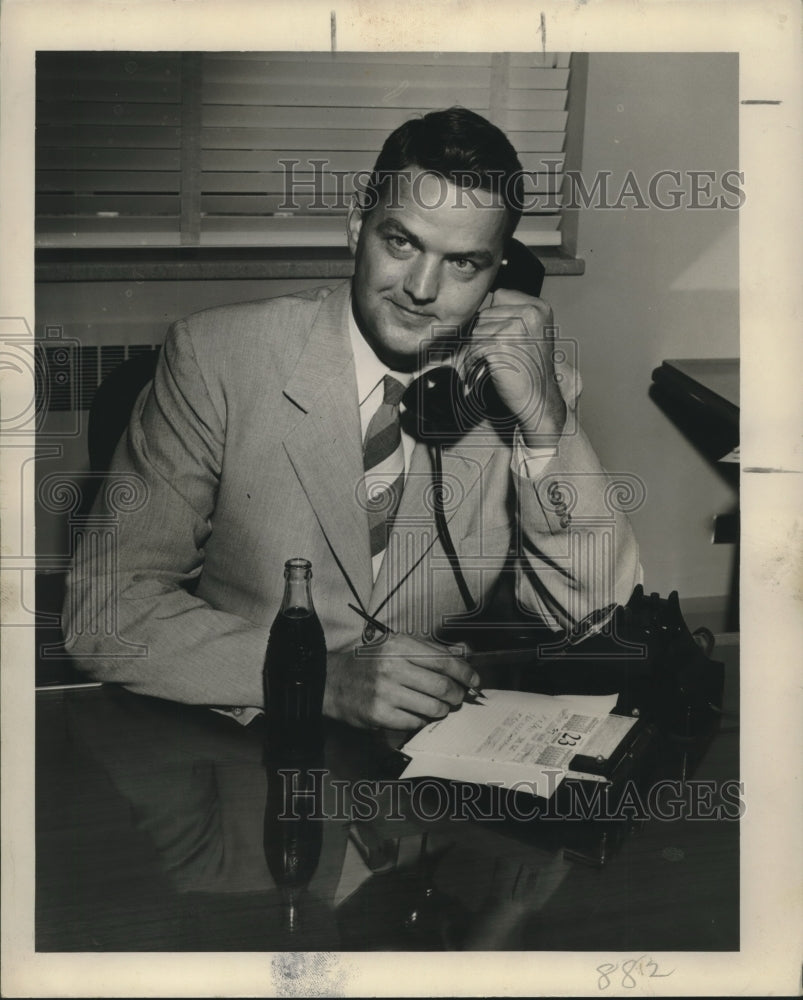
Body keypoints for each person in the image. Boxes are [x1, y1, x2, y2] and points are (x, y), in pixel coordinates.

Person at [63, 107, 641, 731]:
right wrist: (320, 676)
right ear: (356, 227)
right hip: (244, 744)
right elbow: (107, 612)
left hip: (425, 771)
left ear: (501, 276)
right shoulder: (217, 358)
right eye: (401, 242)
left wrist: (544, 425)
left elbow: (606, 626)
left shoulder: (524, 395)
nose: (421, 288)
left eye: (463, 263)